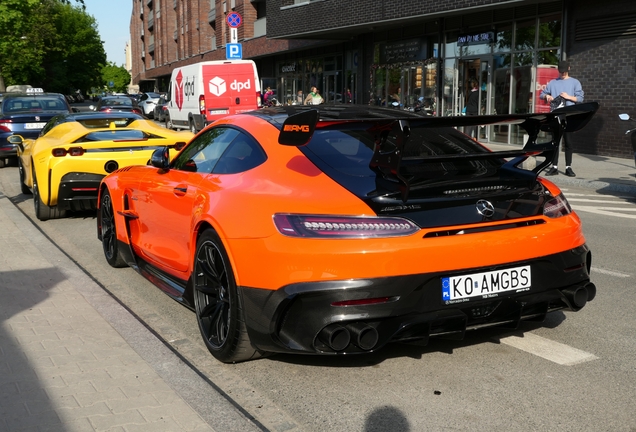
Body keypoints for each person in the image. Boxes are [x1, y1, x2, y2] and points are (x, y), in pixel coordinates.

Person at [540, 60, 584, 177]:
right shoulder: (553, 83)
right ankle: (554, 167)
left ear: (569, 68)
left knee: (568, 142)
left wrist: (568, 97)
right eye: (561, 71)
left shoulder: (575, 82)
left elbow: (580, 98)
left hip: (569, 115)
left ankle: (568, 167)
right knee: (555, 142)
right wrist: (547, 96)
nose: (563, 73)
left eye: (564, 71)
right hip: (556, 115)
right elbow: (541, 94)